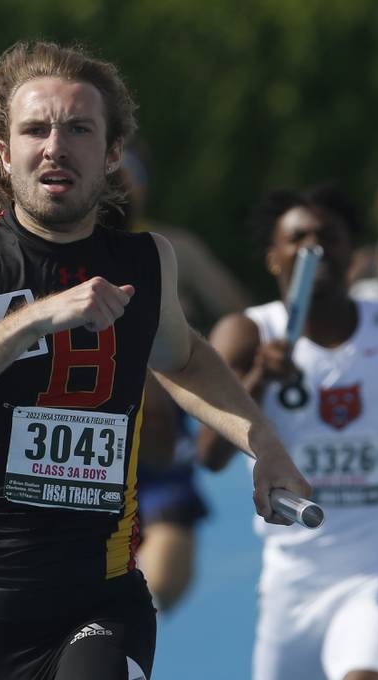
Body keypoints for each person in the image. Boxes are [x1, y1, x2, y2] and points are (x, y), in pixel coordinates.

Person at [0, 40, 310, 680]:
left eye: (78, 129)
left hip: (101, 600)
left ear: (110, 155)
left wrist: (263, 442)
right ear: (3, 151)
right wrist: (33, 320)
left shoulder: (146, 261)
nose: (55, 145)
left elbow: (183, 361)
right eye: (35, 129)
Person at [197, 184, 378, 680]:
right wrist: (258, 380)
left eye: (327, 237)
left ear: (352, 253)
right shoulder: (248, 332)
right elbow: (208, 455)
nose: (312, 249)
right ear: (274, 258)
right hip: (291, 581)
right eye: (297, 238)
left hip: (371, 576)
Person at [117, 143, 251, 612]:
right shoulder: (44, 249)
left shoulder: (173, 250)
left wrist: (195, 347)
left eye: (128, 170)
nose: (119, 179)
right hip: (75, 431)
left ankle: (118, 641)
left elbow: (239, 315)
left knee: (166, 578)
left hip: (159, 425)